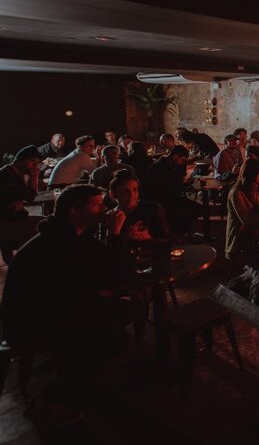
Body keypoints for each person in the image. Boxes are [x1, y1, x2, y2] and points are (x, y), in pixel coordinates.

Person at [0, 184, 132, 406]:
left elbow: (112, 270)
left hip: (59, 306)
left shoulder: (77, 234)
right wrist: (114, 236)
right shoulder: (56, 243)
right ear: (74, 211)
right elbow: (70, 293)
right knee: (114, 332)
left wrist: (114, 235)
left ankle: (79, 372)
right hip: (30, 321)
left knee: (123, 310)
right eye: (96, 205)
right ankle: (58, 395)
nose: (102, 210)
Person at [143, 145, 200, 237]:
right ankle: (177, 233)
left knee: (196, 207)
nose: (182, 163)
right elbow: (164, 188)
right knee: (194, 209)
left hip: (171, 197)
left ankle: (180, 232)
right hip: (161, 201)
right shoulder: (159, 167)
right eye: (182, 160)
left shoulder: (172, 166)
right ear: (175, 156)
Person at [0, 145, 42, 264]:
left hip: (12, 219)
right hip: (5, 224)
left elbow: (29, 197)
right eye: (32, 161)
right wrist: (34, 176)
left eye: (37, 163)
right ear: (19, 161)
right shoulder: (6, 177)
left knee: (44, 223)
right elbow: (30, 195)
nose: (35, 166)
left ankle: (16, 261)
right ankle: (24, 265)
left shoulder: (14, 174)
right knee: (40, 228)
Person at [108, 171, 171, 245]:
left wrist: (149, 238)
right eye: (125, 191)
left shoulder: (153, 210)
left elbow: (168, 242)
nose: (131, 195)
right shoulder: (111, 216)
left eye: (135, 189)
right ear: (113, 194)